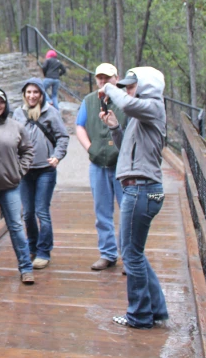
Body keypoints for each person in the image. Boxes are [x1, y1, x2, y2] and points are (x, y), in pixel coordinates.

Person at [99, 67, 169, 329]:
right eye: (126, 86)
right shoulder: (142, 116)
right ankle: (155, 309)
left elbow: (127, 103)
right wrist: (115, 128)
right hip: (138, 188)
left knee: (130, 254)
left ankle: (139, 315)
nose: (127, 90)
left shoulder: (153, 106)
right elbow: (127, 150)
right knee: (134, 252)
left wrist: (108, 87)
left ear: (146, 86)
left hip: (141, 189)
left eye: (131, 86)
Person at [0, 88, 36, 285]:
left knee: (16, 226)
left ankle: (26, 268)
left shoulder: (17, 126)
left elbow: (27, 150)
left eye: (0, 102)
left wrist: (20, 170)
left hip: (10, 185)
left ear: (5, 103)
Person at [12, 78, 69, 269]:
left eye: (36, 92)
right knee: (27, 213)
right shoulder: (18, 113)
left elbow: (62, 136)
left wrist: (57, 156)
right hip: (25, 171)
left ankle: (44, 251)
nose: (32, 96)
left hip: (45, 170)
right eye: (28, 92)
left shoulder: (50, 112)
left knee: (41, 211)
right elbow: (12, 138)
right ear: (24, 94)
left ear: (42, 94)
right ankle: (32, 246)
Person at [75, 63, 127, 271]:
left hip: (122, 165)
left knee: (127, 211)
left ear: (117, 78)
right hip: (98, 164)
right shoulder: (89, 101)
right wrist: (90, 148)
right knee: (102, 211)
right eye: (100, 78)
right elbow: (79, 125)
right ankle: (107, 254)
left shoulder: (126, 101)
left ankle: (129, 256)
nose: (104, 81)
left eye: (108, 77)